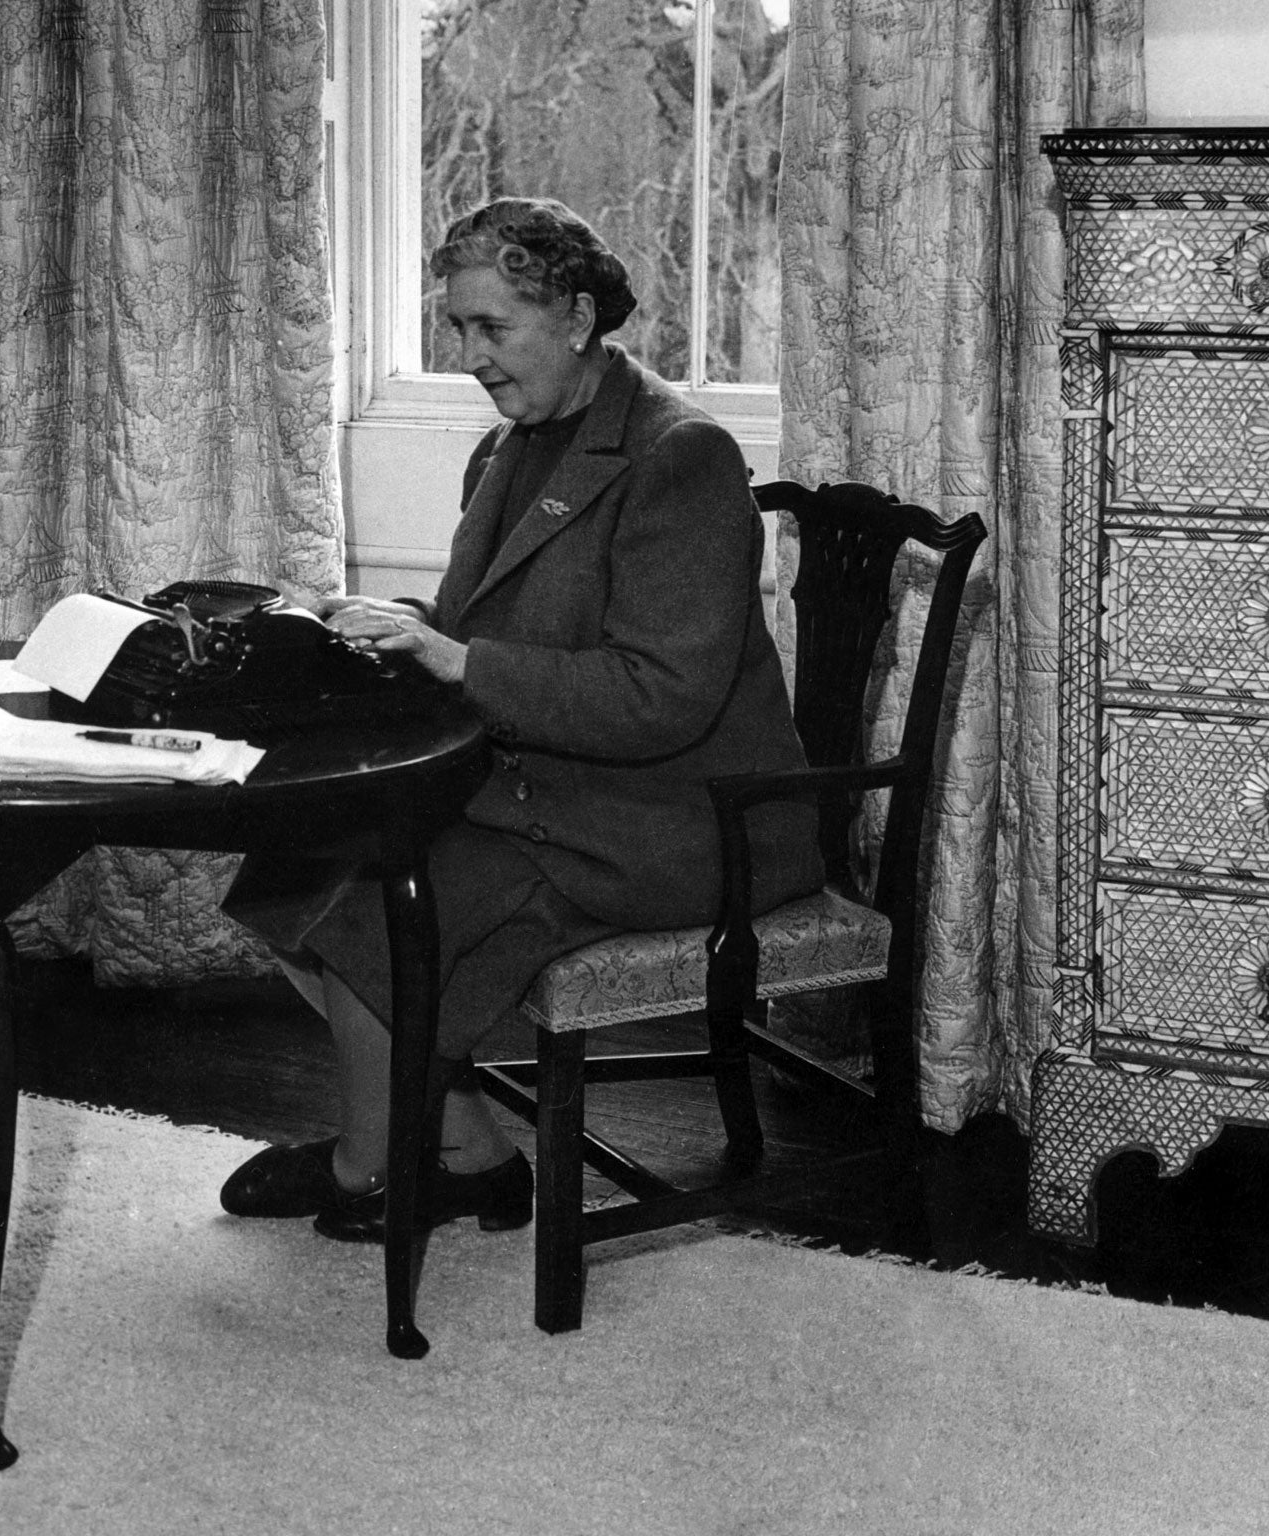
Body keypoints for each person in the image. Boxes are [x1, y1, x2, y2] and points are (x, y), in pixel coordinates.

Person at [219, 197, 824, 1242]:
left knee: (371, 904)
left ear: (579, 317)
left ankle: (370, 1172)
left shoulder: (679, 458)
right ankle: (466, 1152)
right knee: (287, 871)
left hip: (667, 821)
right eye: (457, 329)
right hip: (554, 792)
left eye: (491, 328)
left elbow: (661, 697)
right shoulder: (512, 447)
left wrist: (453, 658)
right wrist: (382, 625)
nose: (470, 357)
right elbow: (482, 625)